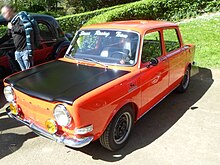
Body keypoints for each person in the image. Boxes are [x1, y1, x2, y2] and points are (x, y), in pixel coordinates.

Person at [0, 5, 37, 70]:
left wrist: (12, 28)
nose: (3, 15)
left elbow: (26, 29)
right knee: (22, 72)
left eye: (4, 13)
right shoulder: (12, 22)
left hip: (26, 51)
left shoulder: (20, 18)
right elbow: (8, 35)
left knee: (29, 72)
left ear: (10, 11)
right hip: (18, 51)